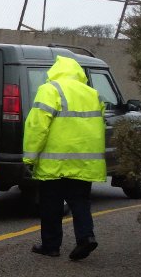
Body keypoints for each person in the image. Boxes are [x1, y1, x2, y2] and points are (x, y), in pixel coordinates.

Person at [23, 55, 105, 260]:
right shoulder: (92, 93)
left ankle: (51, 246)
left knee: (51, 204)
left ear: (55, 71)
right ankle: (86, 237)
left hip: (55, 161)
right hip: (85, 160)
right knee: (80, 201)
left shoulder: (50, 89)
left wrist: (29, 158)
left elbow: (37, 126)